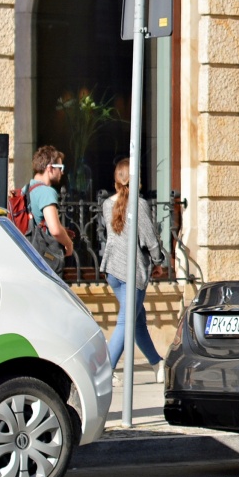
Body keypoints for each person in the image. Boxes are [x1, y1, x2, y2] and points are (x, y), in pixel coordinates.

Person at [101, 158, 164, 384]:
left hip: (113, 272)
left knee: (137, 321)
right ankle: (104, 372)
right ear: (136, 180)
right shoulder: (139, 205)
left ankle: (157, 364)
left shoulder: (107, 204)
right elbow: (150, 239)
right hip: (131, 272)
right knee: (126, 323)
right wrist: (158, 262)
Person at [28, 145, 74, 258]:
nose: (62, 172)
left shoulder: (28, 188)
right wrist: (69, 244)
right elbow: (55, 230)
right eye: (61, 167)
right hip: (43, 256)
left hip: (29, 251)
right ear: (50, 168)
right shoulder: (46, 192)